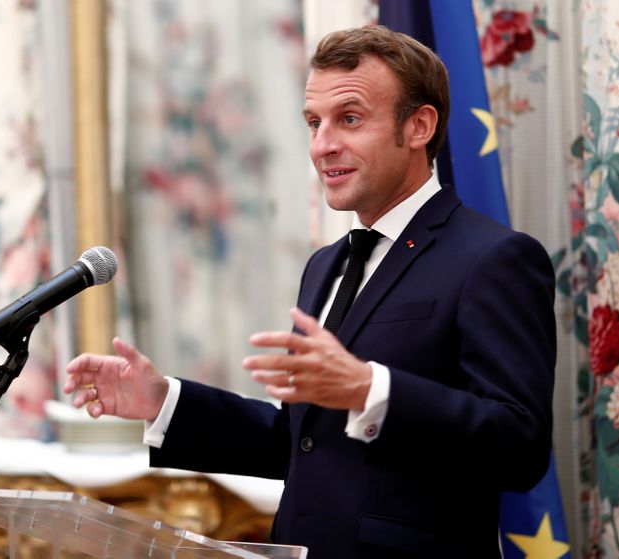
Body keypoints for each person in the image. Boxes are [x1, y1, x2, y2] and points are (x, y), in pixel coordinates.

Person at [64, 25, 556, 558]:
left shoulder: (494, 258)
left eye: (349, 119)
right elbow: (301, 442)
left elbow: (520, 446)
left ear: (418, 126)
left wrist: (371, 390)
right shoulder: (326, 265)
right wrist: (164, 402)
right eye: (313, 123)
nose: (323, 145)